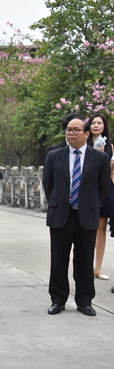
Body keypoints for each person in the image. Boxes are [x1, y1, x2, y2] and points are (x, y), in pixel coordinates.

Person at [44, 116, 110, 317]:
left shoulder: (100, 158)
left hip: (86, 215)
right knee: (58, 260)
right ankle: (58, 300)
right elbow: (49, 185)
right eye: (68, 130)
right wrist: (61, 201)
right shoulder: (54, 156)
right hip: (61, 215)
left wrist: (86, 203)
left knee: (84, 260)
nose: (71, 133)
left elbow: (103, 188)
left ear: (87, 134)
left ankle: (84, 301)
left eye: (76, 130)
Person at [86, 113, 114, 280]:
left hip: (106, 189)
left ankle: (98, 267)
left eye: (100, 123)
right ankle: (86, 266)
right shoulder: (85, 144)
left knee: (102, 228)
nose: (96, 125)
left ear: (104, 126)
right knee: (91, 228)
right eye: (93, 123)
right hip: (90, 190)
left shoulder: (110, 147)